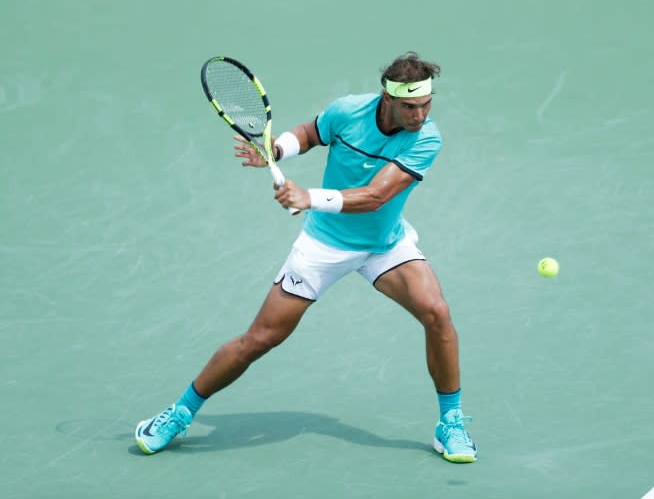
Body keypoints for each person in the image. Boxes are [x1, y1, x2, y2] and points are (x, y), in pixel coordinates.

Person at [134, 51, 477, 463]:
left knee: (436, 313)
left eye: (426, 103)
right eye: (409, 106)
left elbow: (376, 196)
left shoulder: (427, 138)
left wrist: (307, 197)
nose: (419, 114)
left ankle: (451, 422)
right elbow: (310, 133)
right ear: (386, 98)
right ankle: (180, 412)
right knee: (260, 338)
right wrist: (276, 150)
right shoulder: (348, 111)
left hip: (384, 246)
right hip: (323, 247)